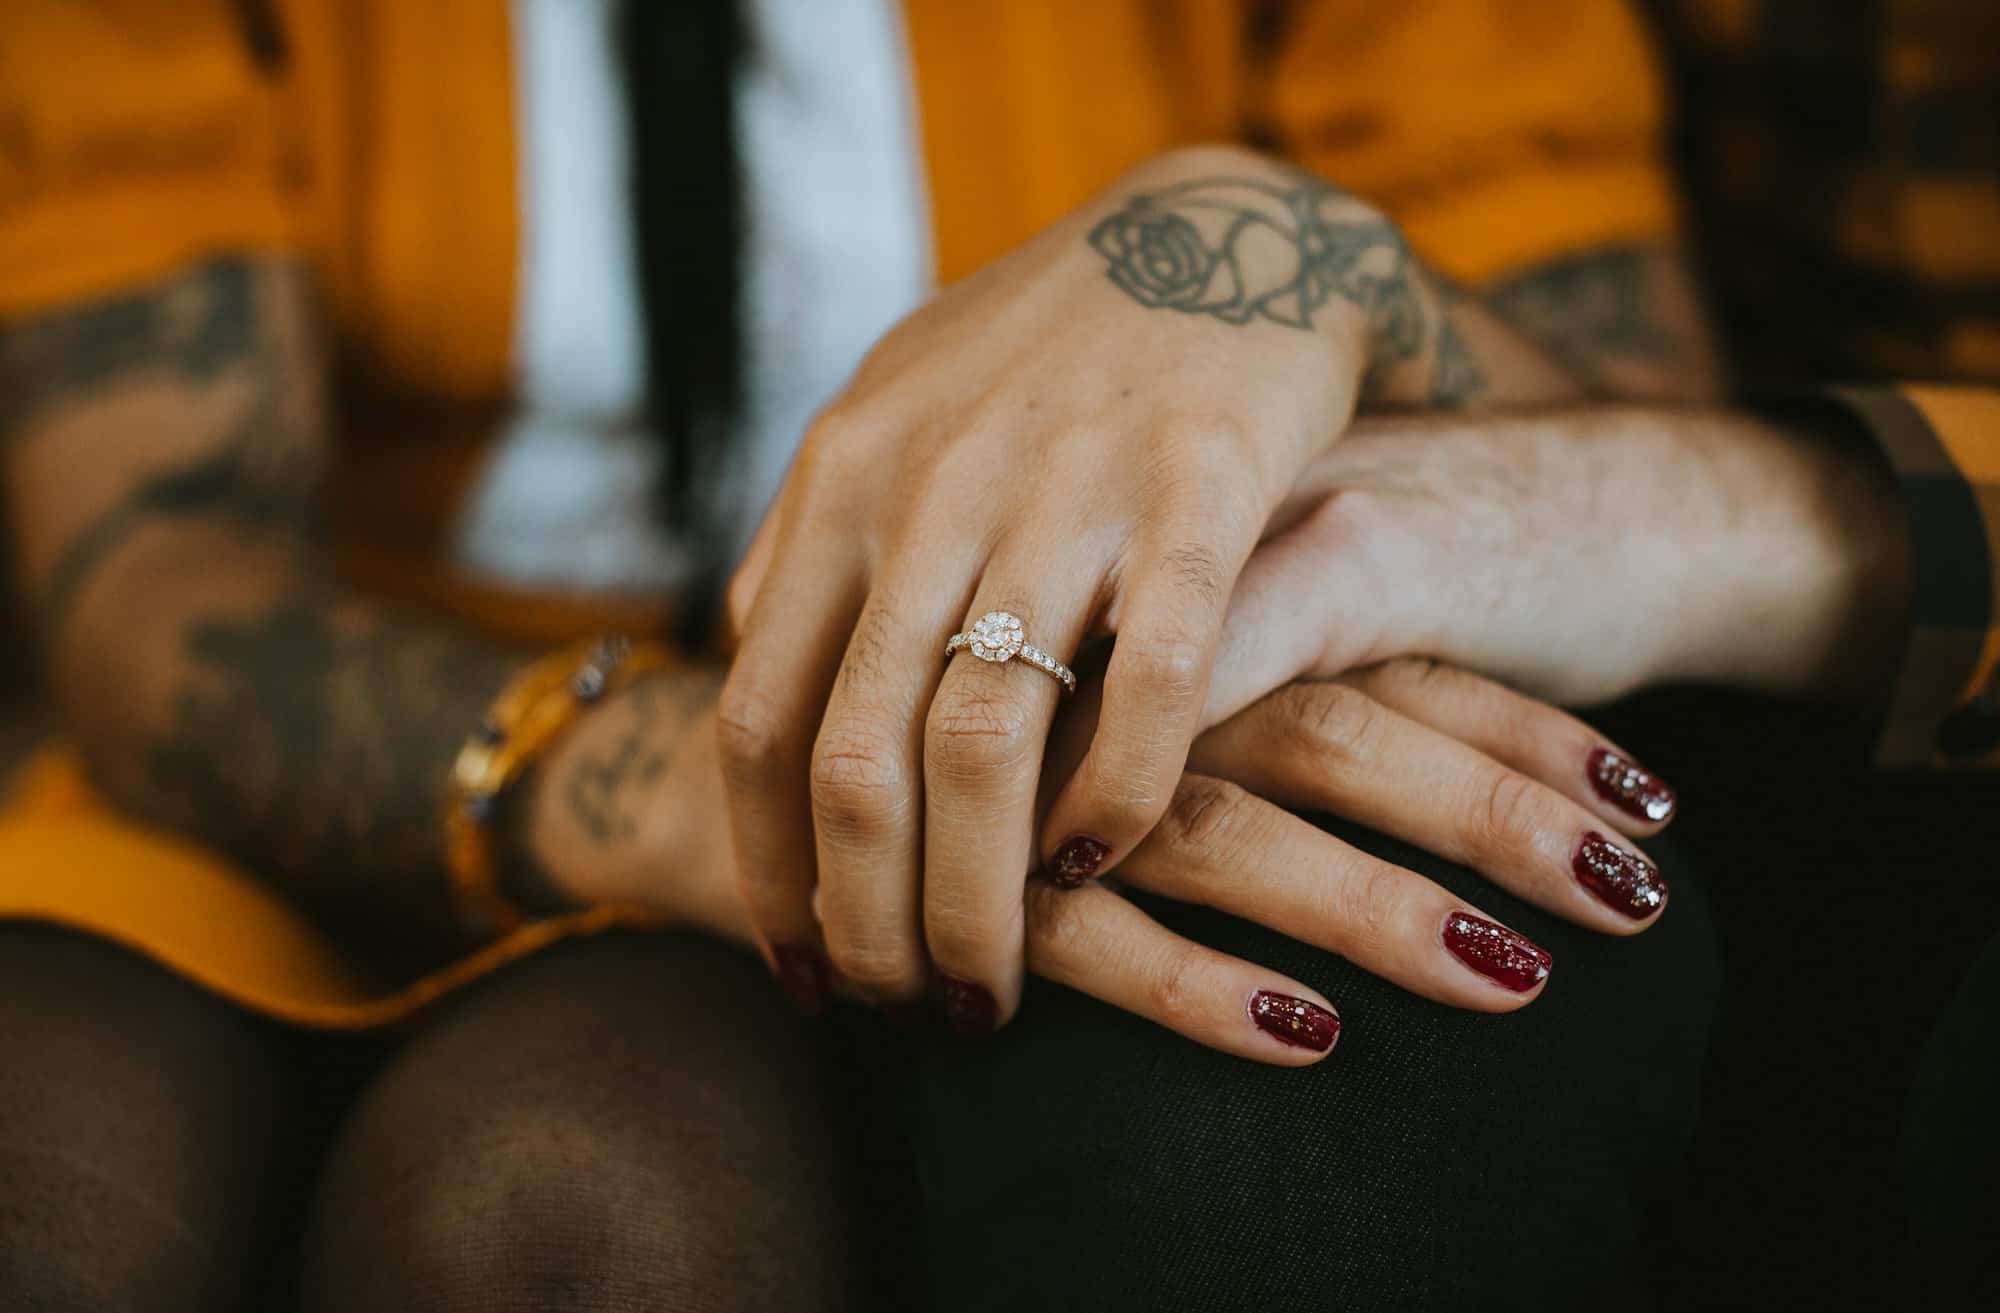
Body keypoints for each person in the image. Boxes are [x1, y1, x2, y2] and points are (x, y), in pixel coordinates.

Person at [0, 3, 1989, 1311]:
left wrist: (1291, 263)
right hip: (371, 769)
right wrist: (729, 781)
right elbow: (149, 563)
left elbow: (1599, 457)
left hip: (1060, 779)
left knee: (565, 1222)